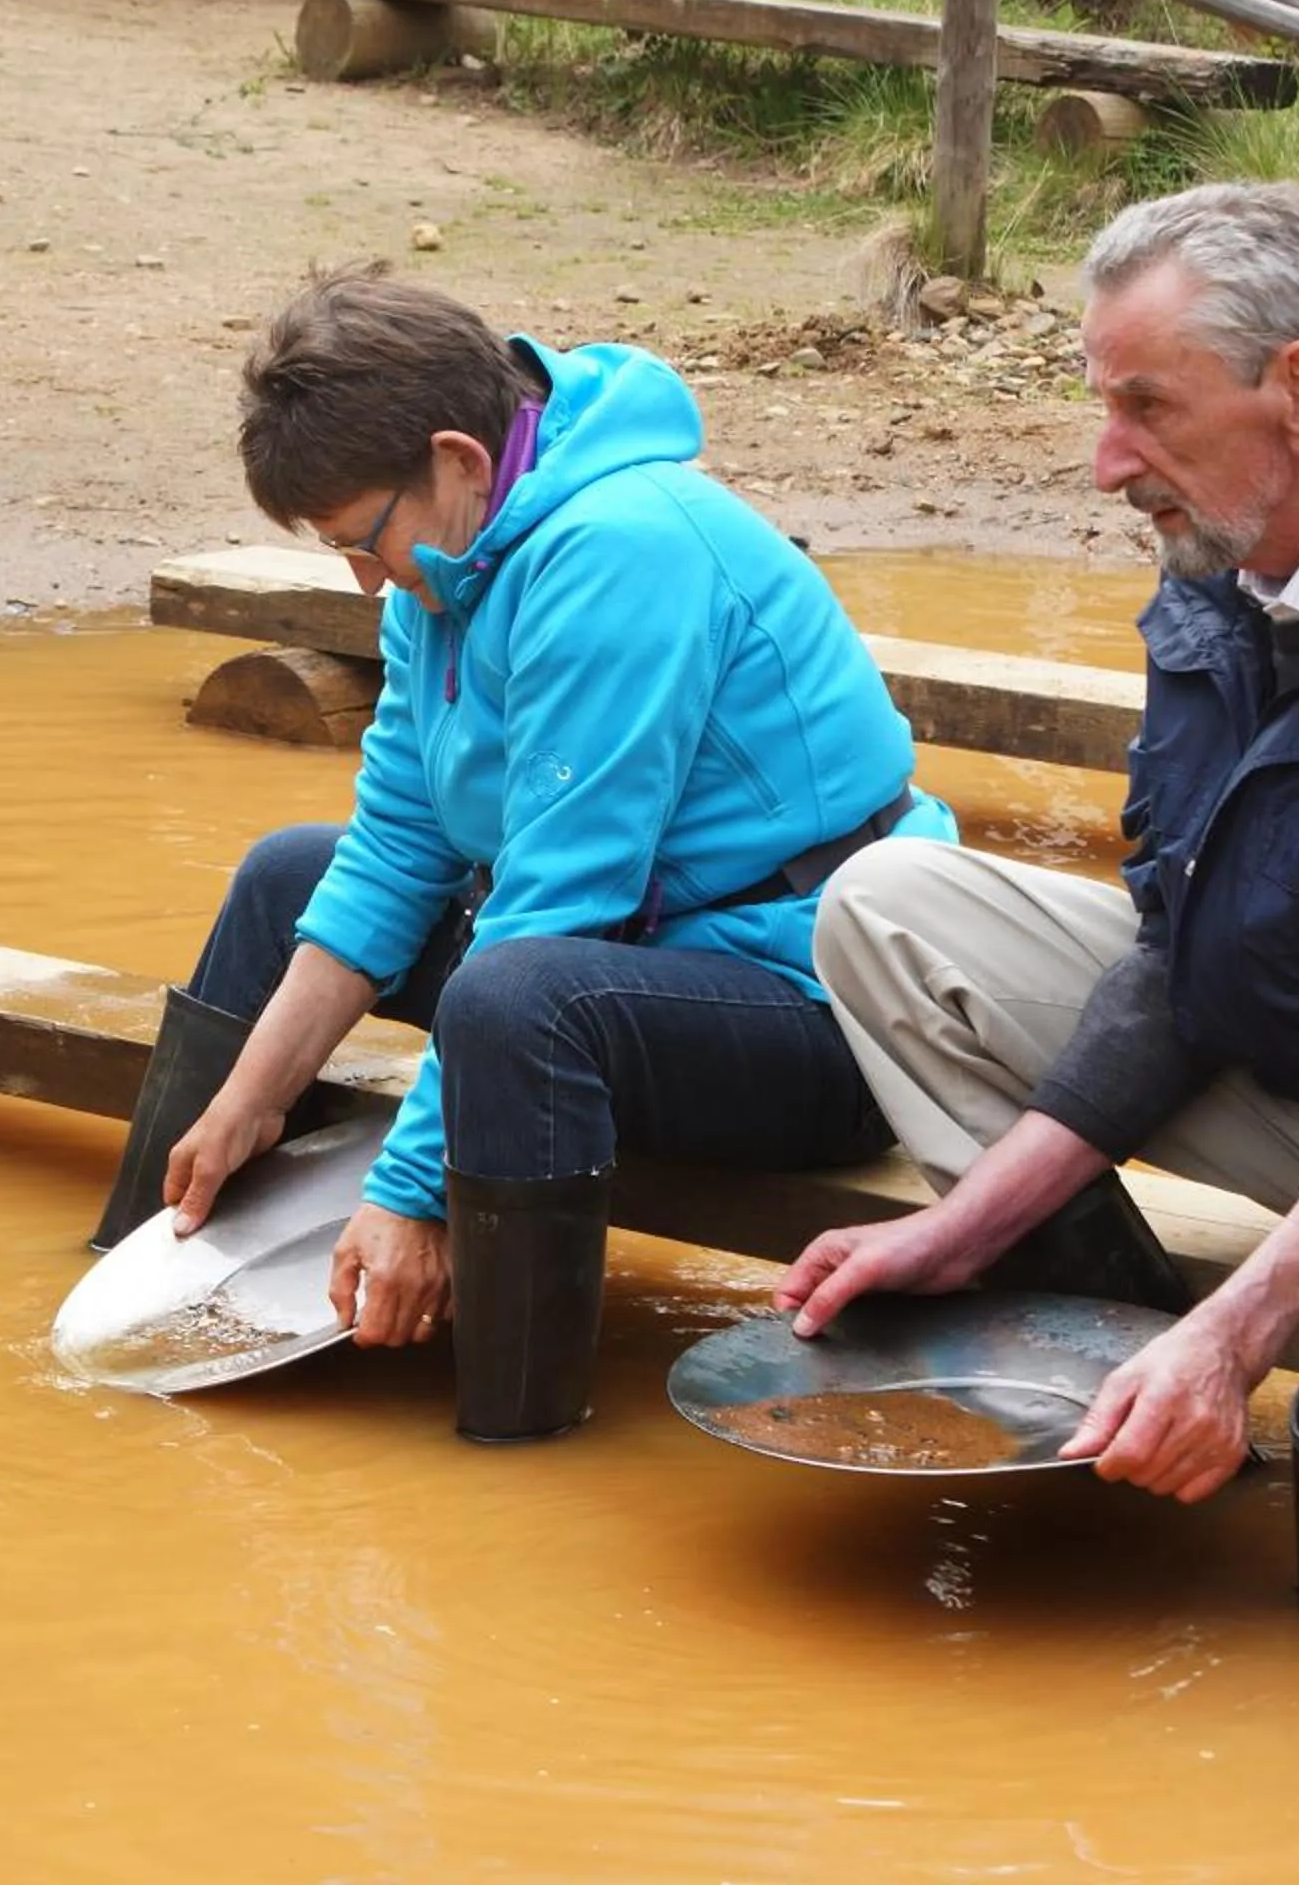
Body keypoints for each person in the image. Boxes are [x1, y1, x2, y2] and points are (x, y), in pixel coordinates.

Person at [779, 181, 1299, 1611]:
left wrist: (1243, 1328)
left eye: (1148, 408)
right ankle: (1103, 1381)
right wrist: (960, 1228)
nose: (1106, 463)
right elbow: (1182, 938)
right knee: (889, 901)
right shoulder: (1221, 558)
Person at [92, 264, 956, 1433]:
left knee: (514, 996)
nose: (366, 578)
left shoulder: (622, 549)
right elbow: (399, 840)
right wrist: (253, 1095)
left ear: (455, 457)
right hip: (631, 970)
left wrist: (409, 1190)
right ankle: (139, 1271)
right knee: (287, 871)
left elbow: (559, 908)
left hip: (820, 1015)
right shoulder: (443, 567)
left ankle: (514, 1425)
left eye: (363, 540)